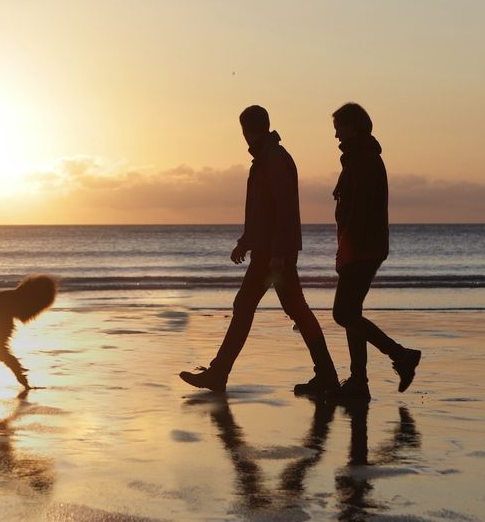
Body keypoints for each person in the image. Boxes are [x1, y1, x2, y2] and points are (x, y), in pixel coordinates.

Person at [180, 105, 339, 395]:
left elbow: (284, 209)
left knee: (264, 307)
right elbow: (261, 211)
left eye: (243, 131)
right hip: (268, 252)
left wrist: (277, 253)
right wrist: (246, 241)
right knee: (279, 308)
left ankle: (219, 373)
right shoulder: (266, 159)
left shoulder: (274, 159)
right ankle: (324, 373)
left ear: (249, 130)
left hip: (274, 255)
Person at [330, 102, 421, 403]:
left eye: (339, 128)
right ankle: (359, 382)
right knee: (351, 314)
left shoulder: (364, 160)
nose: (336, 136)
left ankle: (401, 356)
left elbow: (360, 212)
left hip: (364, 248)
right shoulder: (359, 158)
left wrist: (348, 248)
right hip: (363, 247)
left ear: (353, 127)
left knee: (343, 313)